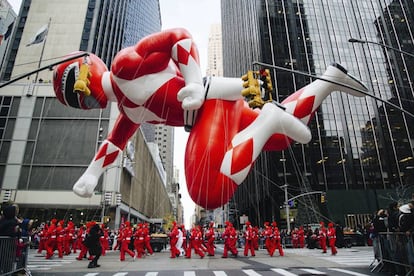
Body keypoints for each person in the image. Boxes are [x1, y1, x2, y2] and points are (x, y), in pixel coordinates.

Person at [52, 28, 368, 210]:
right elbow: (113, 144)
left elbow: (179, 37)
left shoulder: (123, 65)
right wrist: (91, 175)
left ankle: (269, 118)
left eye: (82, 93)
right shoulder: (127, 111)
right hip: (217, 107)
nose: (90, 103)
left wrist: (191, 80)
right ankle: (330, 80)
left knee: (207, 193)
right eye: (82, 104)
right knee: (281, 139)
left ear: (87, 71)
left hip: (211, 105)